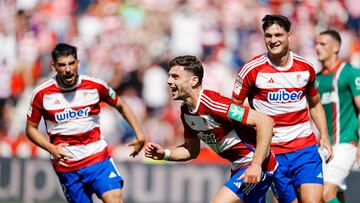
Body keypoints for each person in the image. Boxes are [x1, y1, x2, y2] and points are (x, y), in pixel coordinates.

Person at [144, 55, 278, 203]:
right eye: (169, 76)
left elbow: (265, 122)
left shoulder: (213, 103)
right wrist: (165, 154)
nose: (169, 81)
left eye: (175, 77)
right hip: (239, 166)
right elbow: (191, 150)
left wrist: (256, 165)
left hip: (256, 164)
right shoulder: (186, 111)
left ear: (193, 81)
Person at [231, 14, 333, 203]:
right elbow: (234, 109)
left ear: (289, 36)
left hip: (305, 148)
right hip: (273, 153)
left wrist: (325, 137)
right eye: (268, 36)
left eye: (278, 35)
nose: (273, 40)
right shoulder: (251, 70)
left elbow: (315, 104)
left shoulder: (306, 68)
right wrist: (251, 139)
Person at [25, 43, 145, 203]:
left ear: (78, 63)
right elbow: (30, 129)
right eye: (62, 65)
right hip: (68, 166)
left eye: (71, 63)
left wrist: (140, 134)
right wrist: (51, 148)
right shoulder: (42, 94)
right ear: (54, 67)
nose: (67, 69)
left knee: (115, 199)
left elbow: (121, 105)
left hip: (98, 159)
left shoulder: (95, 86)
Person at [315, 29, 360, 203]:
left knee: (325, 193)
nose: (318, 48)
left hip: (346, 143)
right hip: (326, 146)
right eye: (317, 44)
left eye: (323, 44)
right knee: (333, 194)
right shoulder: (316, 79)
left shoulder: (350, 73)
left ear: (336, 47)